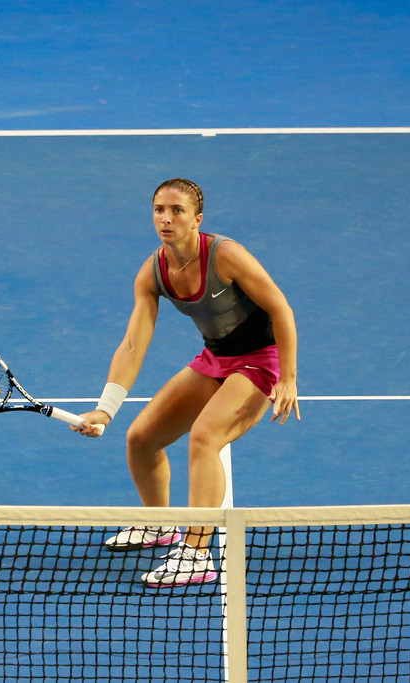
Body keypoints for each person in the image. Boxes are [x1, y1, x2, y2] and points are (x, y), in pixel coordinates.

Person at [76, 178, 299, 587]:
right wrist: (106, 409)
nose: (166, 218)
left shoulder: (226, 256)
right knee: (140, 438)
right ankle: (159, 526)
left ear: (197, 219)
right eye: (159, 209)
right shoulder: (153, 271)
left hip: (259, 362)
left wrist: (288, 378)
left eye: (177, 210)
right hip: (216, 358)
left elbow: (280, 308)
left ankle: (197, 553)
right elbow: (131, 345)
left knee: (205, 437)